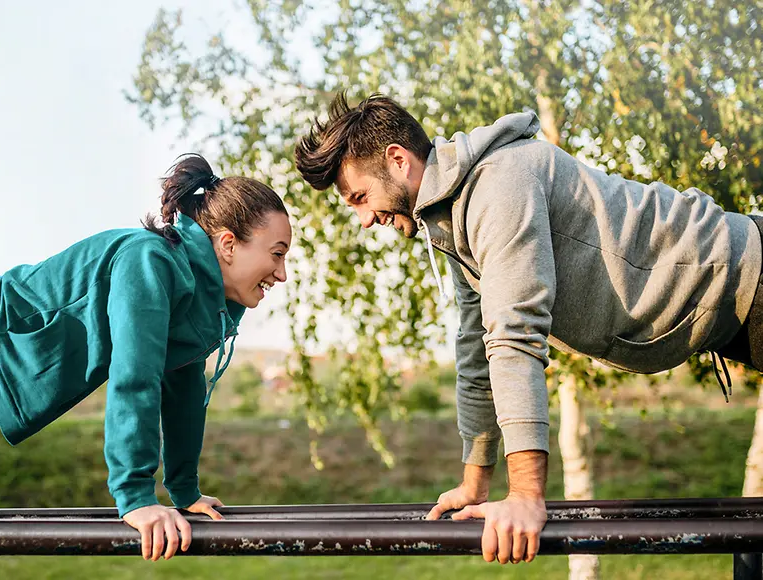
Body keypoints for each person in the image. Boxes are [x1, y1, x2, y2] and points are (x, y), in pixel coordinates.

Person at [294, 92, 763, 565]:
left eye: (360, 198)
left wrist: (525, 495)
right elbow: (477, 350)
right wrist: (475, 482)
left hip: (749, 277)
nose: (364, 220)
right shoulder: (454, 217)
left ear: (398, 161)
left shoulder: (498, 184)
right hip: (731, 311)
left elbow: (514, 334)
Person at [0, 154, 292, 561]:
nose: (282, 273)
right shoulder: (150, 260)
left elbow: (184, 391)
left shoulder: (198, 301)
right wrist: (136, 497)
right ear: (228, 244)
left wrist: (185, 491)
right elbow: (135, 375)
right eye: (277, 254)